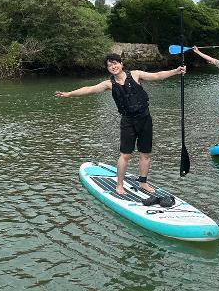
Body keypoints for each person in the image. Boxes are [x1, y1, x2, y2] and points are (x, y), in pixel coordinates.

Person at [55, 54, 186, 196]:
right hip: (128, 122)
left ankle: (143, 182)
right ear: (108, 69)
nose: (113, 66)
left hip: (145, 119)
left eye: (115, 63)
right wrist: (69, 94)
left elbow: (157, 76)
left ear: (121, 64)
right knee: (125, 155)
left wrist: (176, 71)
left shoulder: (136, 74)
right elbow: (89, 89)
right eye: (110, 65)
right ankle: (119, 185)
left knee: (145, 154)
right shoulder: (108, 84)